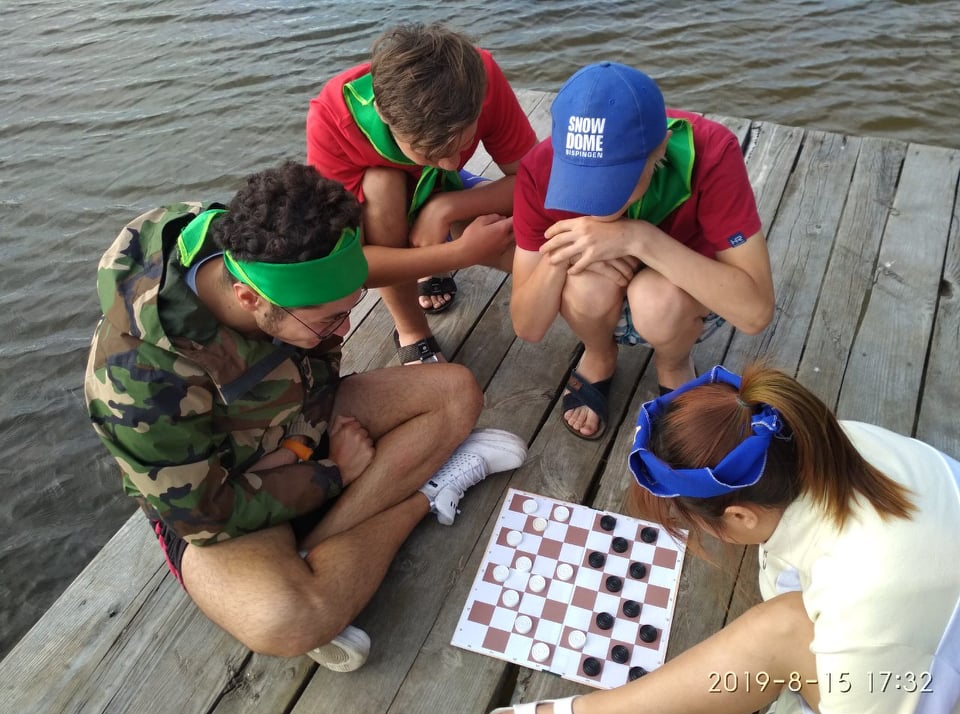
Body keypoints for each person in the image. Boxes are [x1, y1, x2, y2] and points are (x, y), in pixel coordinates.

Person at [84, 161, 528, 672]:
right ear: (248, 299)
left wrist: (298, 446)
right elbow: (206, 515)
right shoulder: (141, 380)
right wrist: (331, 473)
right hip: (224, 492)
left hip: (296, 419)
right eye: (329, 320)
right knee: (287, 618)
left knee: (456, 392)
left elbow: (323, 356)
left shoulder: (268, 244)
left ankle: (316, 549)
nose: (344, 331)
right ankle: (423, 497)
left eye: (349, 310)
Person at [489, 364, 960, 714]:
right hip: (915, 630)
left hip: (923, 678)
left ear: (739, 515)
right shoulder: (827, 440)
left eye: (690, 520)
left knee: (783, 629)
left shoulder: (863, 596)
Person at [511, 62, 775, 440]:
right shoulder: (538, 168)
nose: (595, 202)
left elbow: (755, 313)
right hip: (600, 294)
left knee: (656, 297)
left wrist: (639, 238)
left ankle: (674, 364)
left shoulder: (713, 151)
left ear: (661, 148)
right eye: (581, 179)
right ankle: (599, 353)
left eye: (613, 180)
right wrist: (563, 255)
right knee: (584, 280)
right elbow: (528, 326)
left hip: (682, 299)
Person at [307, 22, 537, 364]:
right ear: (384, 115)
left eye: (462, 144)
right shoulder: (332, 120)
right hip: (381, 209)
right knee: (382, 182)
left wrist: (447, 206)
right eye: (431, 153)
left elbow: (536, 180)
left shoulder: (479, 76)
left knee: (534, 251)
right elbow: (351, 266)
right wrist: (460, 253)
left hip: (450, 191)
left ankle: (433, 239)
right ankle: (411, 330)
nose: (450, 162)